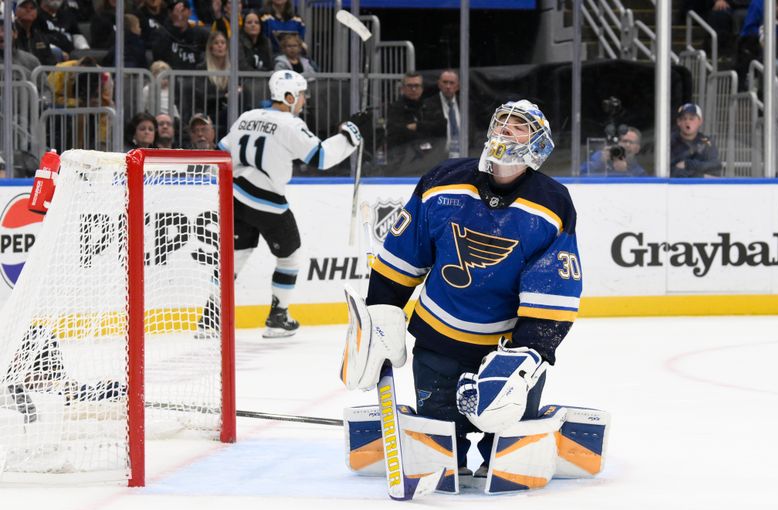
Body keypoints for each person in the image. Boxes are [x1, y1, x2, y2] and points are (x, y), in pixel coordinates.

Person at [349, 100, 581, 479]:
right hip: (438, 344)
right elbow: (403, 256)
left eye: (519, 126)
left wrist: (528, 358)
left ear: (538, 144)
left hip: (504, 353)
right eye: (501, 121)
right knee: (441, 469)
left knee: (507, 471)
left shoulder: (552, 204)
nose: (506, 129)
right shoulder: (444, 180)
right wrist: (379, 313)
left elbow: (553, 290)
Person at [212, 70, 364, 338]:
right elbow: (321, 158)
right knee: (290, 256)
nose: (304, 99)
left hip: (234, 197)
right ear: (289, 96)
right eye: (302, 94)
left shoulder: (248, 116)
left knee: (235, 255)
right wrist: (348, 137)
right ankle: (278, 317)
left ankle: (210, 318)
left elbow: (221, 151)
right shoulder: (290, 125)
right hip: (268, 202)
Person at [386, 71, 447, 174]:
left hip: (430, 160)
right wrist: (425, 130)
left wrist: (418, 126)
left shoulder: (430, 106)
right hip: (403, 161)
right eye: (409, 86)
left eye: (416, 86)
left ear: (422, 88)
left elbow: (442, 126)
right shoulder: (396, 108)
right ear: (403, 88)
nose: (413, 89)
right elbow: (395, 131)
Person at [152, 0, 209, 71]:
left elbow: (216, 42)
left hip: (195, 78)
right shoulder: (162, 33)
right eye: (175, 10)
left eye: (182, 10)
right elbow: (157, 57)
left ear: (190, 12)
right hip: (171, 78)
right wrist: (175, 28)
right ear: (170, 14)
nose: (179, 14)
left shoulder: (199, 33)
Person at [670, 103, 722, 177]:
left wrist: (687, 164)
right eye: (684, 119)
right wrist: (702, 176)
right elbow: (670, 172)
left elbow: (715, 167)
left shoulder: (706, 142)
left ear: (700, 121)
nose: (687, 122)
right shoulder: (670, 142)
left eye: (691, 119)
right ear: (679, 122)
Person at [424, 69, 461, 159]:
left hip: (463, 154)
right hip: (436, 156)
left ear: (458, 86)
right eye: (445, 82)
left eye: (452, 83)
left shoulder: (466, 104)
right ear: (439, 84)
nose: (448, 86)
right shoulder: (427, 105)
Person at [581, 126, 646, 176]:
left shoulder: (639, 172)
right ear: (618, 143)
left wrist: (624, 173)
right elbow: (579, 174)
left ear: (637, 149)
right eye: (624, 141)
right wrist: (600, 162)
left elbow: (640, 189)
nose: (627, 145)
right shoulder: (601, 155)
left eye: (631, 142)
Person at [13, 0, 57, 66]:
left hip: (41, 75)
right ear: (16, 10)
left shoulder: (40, 37)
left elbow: (51, 63)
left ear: (36, 12)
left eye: (32, 8)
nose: (28, 10)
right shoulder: (10, 34)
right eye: (24, 7)